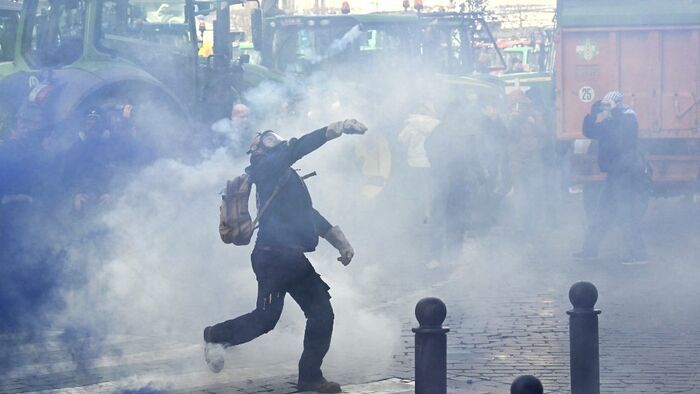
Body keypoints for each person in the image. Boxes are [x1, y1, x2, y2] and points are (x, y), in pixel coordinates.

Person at [203, 119, 368, 393]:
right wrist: (333, 129)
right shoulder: (265, 169)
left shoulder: (284, 175)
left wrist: (339, 242)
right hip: (274, 258)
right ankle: (215, 335)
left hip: (291, 258)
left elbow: (307, 215)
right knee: (265, 320)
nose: (278, 145)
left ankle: (310, 378)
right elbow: (297, 148)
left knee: (322, 314)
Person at [574, 91, 649, 263]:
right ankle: (589, 250)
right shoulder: (609, 122)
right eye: (604, 105)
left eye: (609, 105)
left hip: (625, 175)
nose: (606, 109)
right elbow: (589, 131)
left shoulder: (629, 119)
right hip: (613, 174)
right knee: (602, 212)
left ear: (618, 105)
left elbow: (624, 134)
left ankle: (638, 255)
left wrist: (614, 111)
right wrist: (593, 114)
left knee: (626, 214)